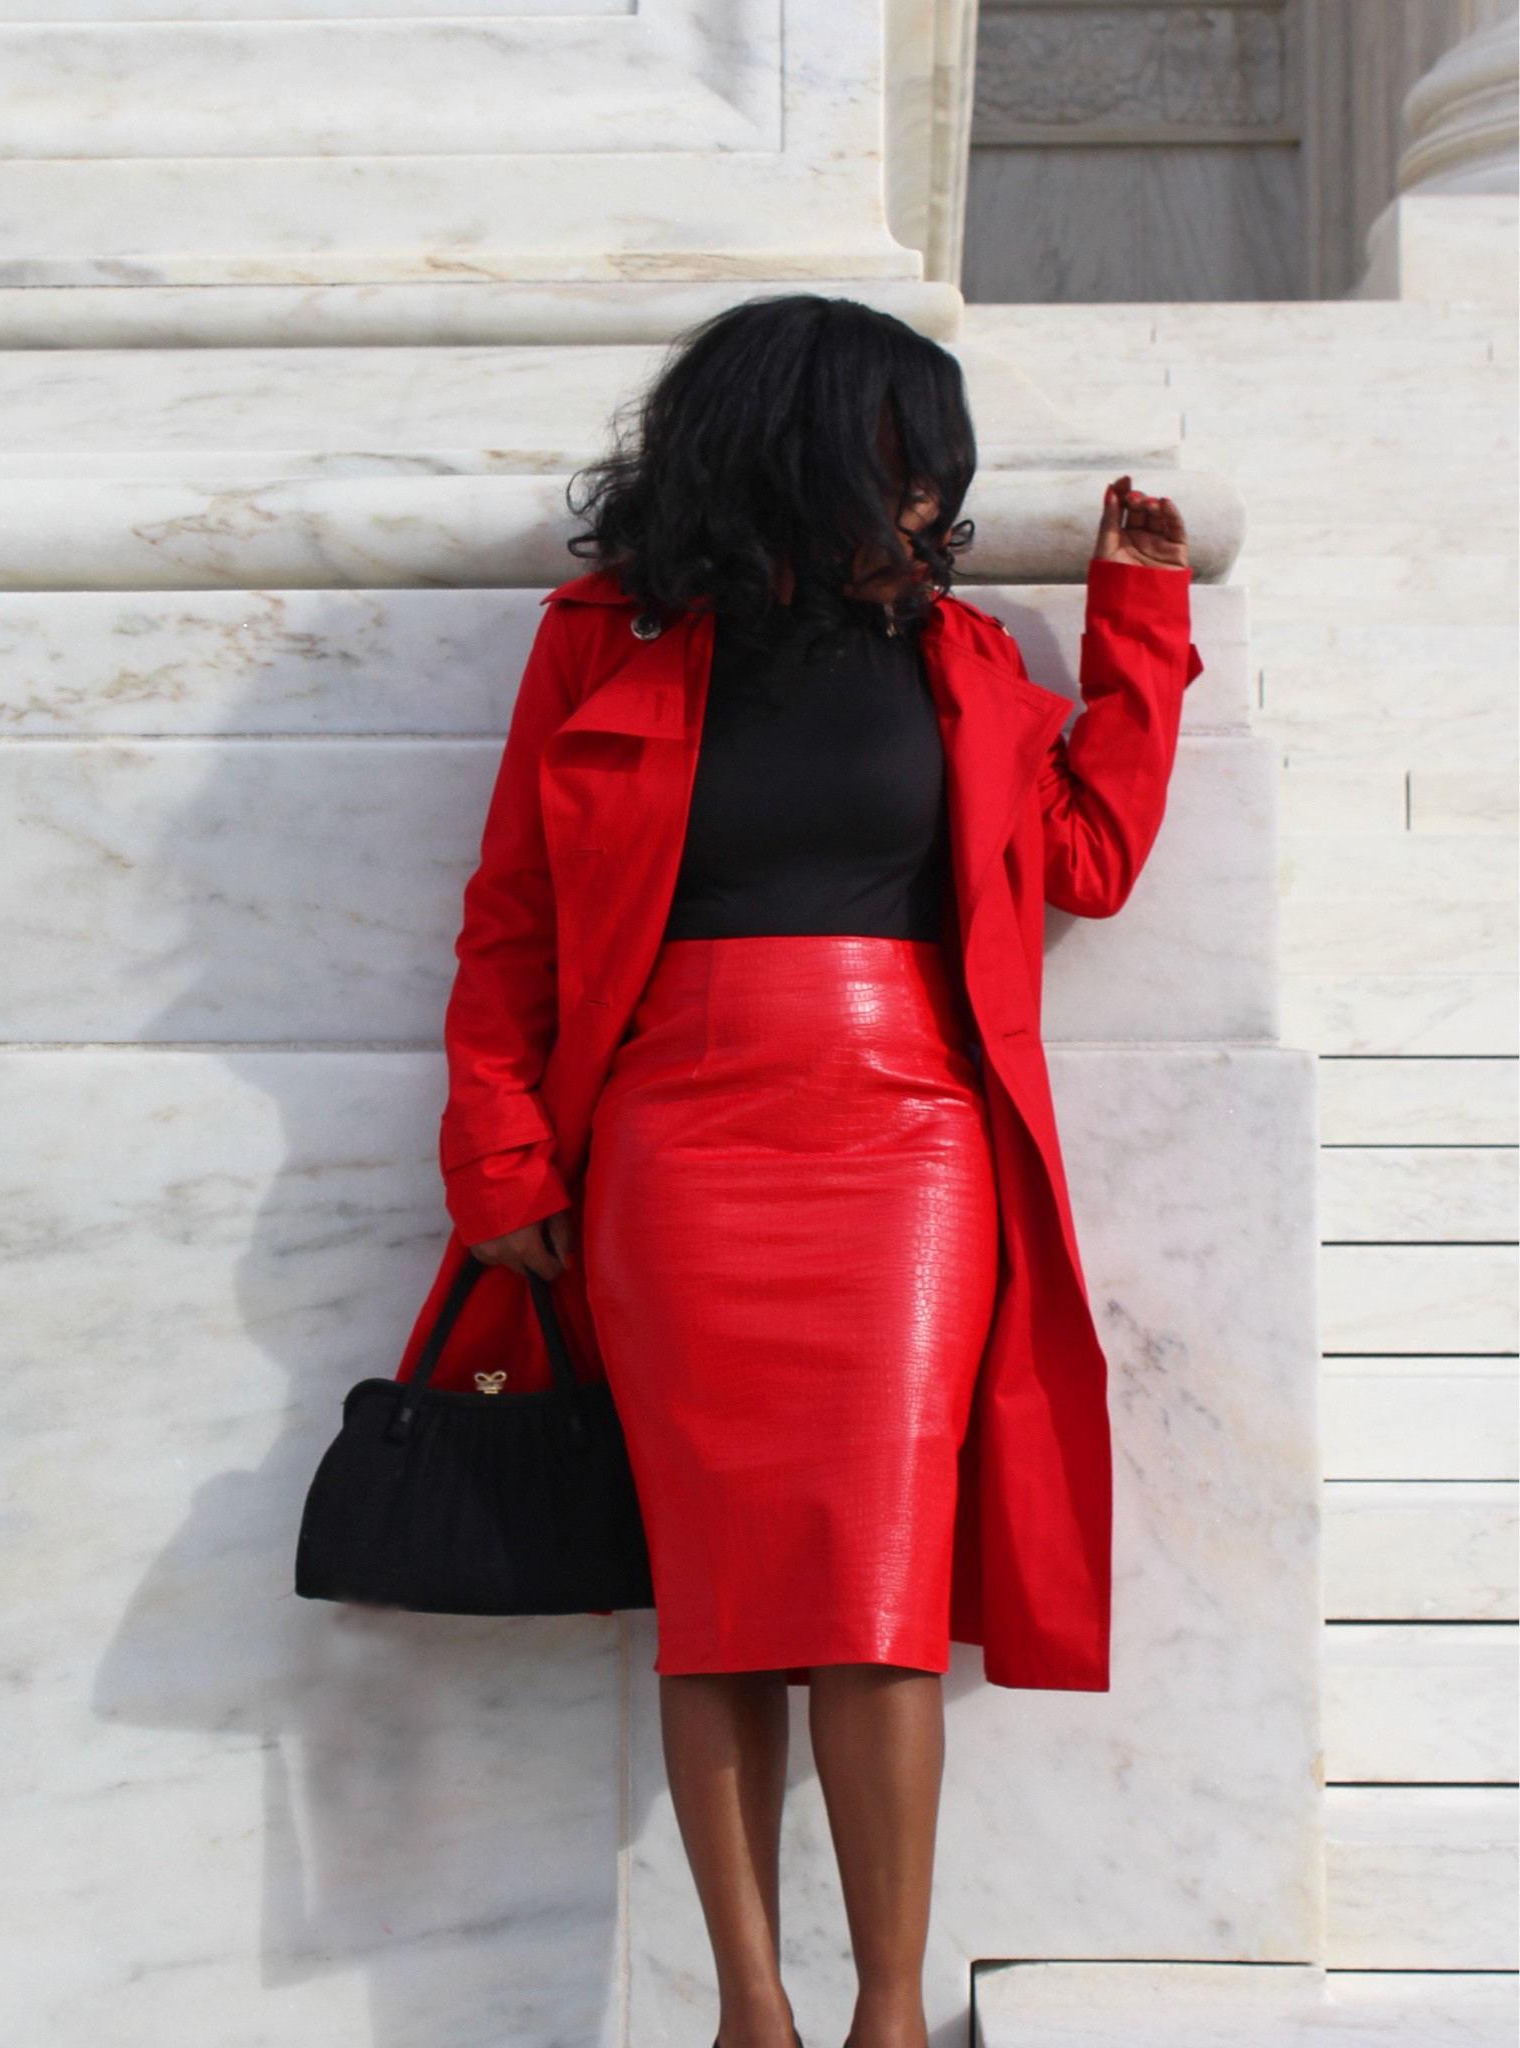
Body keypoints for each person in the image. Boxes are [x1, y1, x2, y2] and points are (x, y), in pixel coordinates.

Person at [398, 295, 1198, 2048]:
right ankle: (747, 2012)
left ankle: (888, 2016)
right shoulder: (602, 639)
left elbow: (1086, 857)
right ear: (798, 445)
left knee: (876, 1578)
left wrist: (1137, 625)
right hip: (672, 1138)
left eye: (937, 474)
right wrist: (498, 1152)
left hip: (908, 1134)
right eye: (902, 460)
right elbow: (512, 915)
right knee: (718, 1593)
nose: (926, 501)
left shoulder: (958, 655)